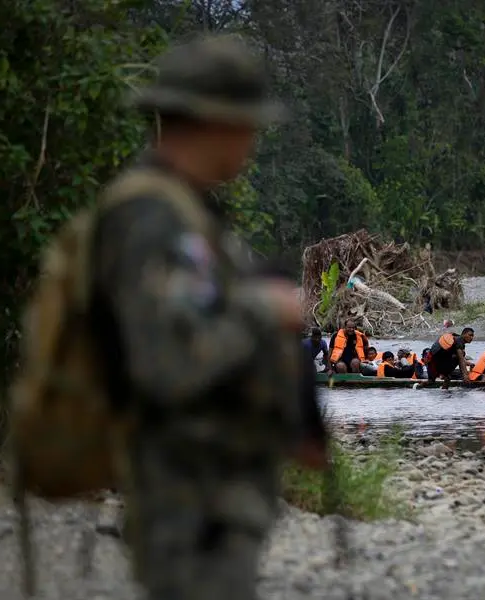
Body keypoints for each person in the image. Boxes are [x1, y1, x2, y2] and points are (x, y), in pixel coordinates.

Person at [86, 34, 323, 600]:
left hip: (210, 498)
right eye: (247, 126)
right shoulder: (152, 221)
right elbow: (166, 364)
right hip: (187, 503)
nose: (252, 143)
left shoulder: (186, 212)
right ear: (214, 123)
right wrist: (265, 309)